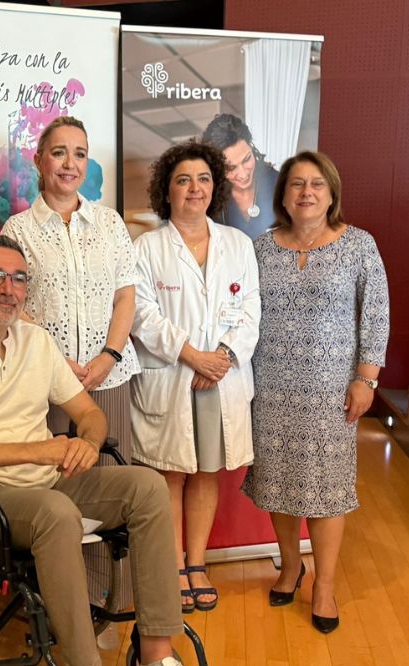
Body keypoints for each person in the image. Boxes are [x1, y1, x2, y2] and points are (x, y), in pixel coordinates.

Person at [0, 236, 240, 666]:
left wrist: (87, 439)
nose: (8, 289)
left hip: (48, 482)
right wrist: (35, 450)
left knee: (147, 487)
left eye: (19, 279)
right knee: (57, 512)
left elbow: (88, 413)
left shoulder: (37, 343)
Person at [241, 151, 389, 634]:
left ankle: (324, 585)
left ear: (331, 194)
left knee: (327, 489)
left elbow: (376, 315)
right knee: (278, 483)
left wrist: (366, 379)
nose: (307, 192)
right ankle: (290, 568)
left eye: (317, 184)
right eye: (297, 184)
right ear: (283, 195)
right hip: (270, 388)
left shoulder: (359, 245)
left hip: (331, 393)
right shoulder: (261, 249)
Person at [130, 140, 261, 614]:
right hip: (174, 375)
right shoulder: (147, 248)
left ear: (215, 187)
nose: (194, 188)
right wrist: (192, 356)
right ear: (167, 190)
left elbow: (250, 309)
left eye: (203, 179)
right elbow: (141, 314)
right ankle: (171, 567)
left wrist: (221, 358)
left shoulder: (238, 244)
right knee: (172, 473)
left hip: (220, 378)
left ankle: (197, 564)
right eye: (183, 180)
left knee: (207, 471)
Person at [1, 116, 139, 460]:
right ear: (39, 160)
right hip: (45, 378)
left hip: (109, 375)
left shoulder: (110, 222)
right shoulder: (17, 230)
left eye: (79, 154)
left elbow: (125, 296)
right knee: (55, 478)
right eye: (59, 152)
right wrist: (56, 362)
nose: (69, 164)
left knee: (113, 479)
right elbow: (12, 306)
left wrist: (109, 357)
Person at [202, 114, 279, 240]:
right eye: (231, 168)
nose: (243, 174)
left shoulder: (280, 185)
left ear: (251, 147)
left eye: (246, 159)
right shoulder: (211, 199)